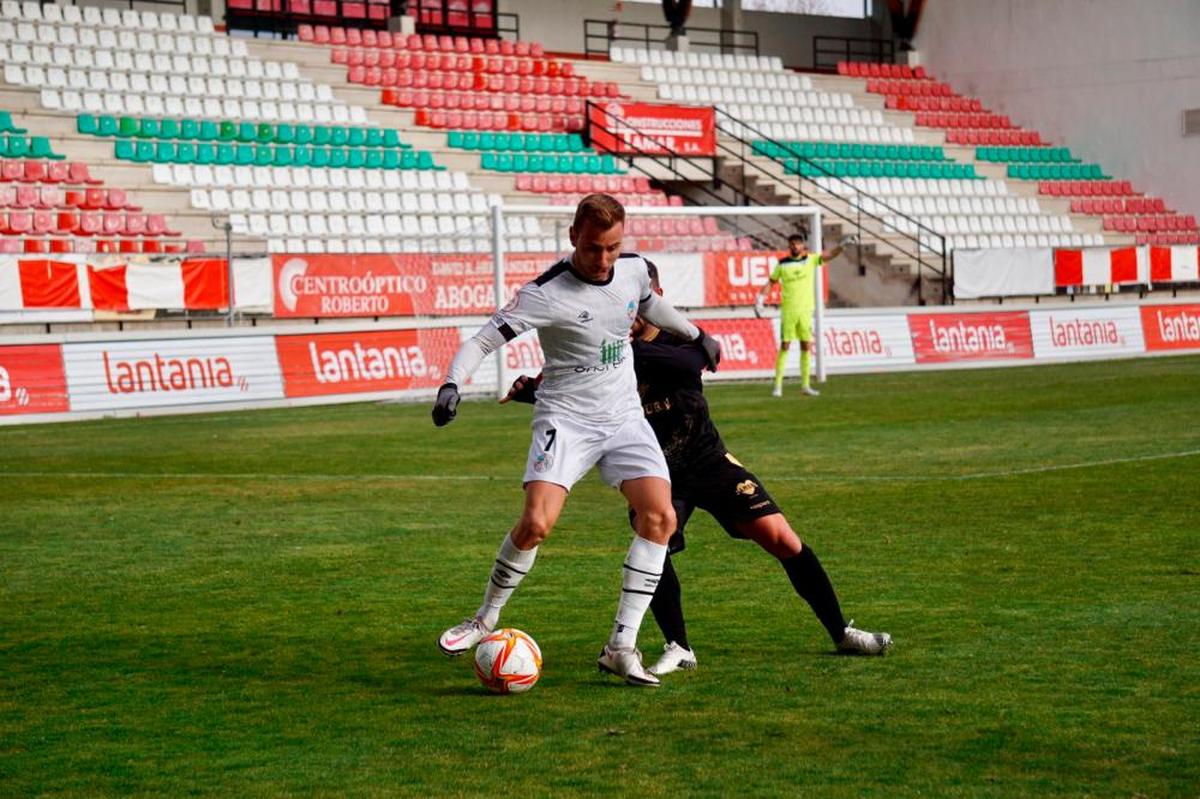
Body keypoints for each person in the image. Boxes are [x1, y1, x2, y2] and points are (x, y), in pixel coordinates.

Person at [506, 261, 891, 676]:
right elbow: (572, 391)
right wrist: (535, 391)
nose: (628, 316)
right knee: (654, 542)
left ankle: (842, 632)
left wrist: (618, 354)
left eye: (636, 307)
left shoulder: (680, 338)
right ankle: (679, 646)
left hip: (708, 460)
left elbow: (688, 366)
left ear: (653, 298)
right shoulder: (608, 343)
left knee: (782, 538)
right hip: (655, 472)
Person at [431, 193, 722, 687]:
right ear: (573, 238)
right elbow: (482, 340)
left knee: (660, 517)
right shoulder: (545, 293)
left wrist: (697, 334)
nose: (603, 258)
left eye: (612, 247)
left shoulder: (631, 269)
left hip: (624, 416)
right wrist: (451, 384)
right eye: (593, 248)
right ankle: (484, 619)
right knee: (537, 524)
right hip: (566, 419)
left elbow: (650, 303)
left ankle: (620, 646)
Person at [755, 231, 855, 398]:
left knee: (806, 346)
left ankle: (805, 385)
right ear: (789, 246)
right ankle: (778, 386)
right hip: (789, 311)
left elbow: (828, 255)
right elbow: (770, 283)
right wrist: (760, 300)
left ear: (802, 245)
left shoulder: (810, 260)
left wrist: (842, 246)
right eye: (792, 243)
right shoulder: (782, 264)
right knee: (785, 346)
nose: (795, 246)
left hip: (805, 312)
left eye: (797, 243)